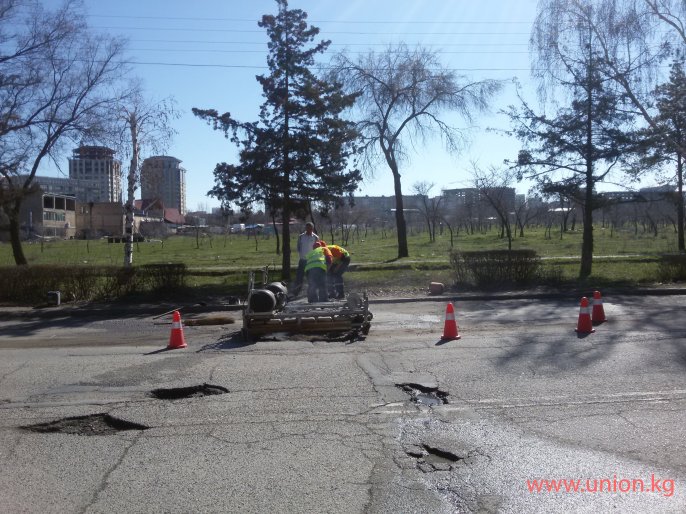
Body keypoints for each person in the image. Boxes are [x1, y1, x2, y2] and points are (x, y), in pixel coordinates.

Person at [293, 222, 319, 296]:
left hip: (311, 261)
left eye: (310, 228)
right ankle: (296, 292)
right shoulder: (301, 236)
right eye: (307, 228)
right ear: (305, 228)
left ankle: (311, 292)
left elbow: (317, 249)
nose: (308, 230)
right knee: (299, 277)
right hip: (302, 260)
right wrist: (301, 254)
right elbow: (298, 247)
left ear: (312, 228)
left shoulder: (315, 237)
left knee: (311, 277)